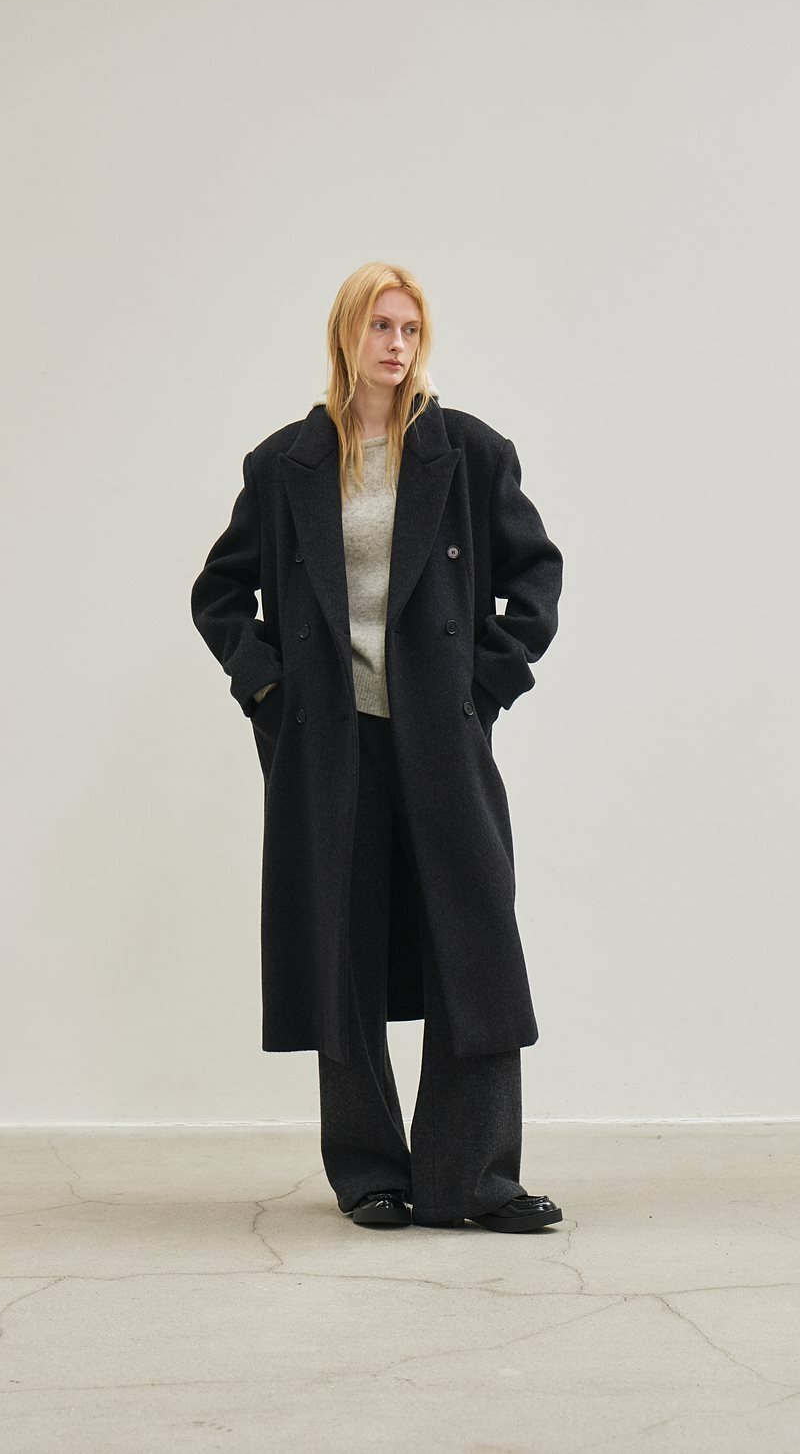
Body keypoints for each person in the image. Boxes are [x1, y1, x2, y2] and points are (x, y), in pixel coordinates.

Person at [191, 262, 564, 1232]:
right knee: (342, 951)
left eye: (410, 328)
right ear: (345, 336)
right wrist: (269, 689)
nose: (396, 344)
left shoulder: (468, 452)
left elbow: (536, 578)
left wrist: (485, 685)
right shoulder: (286, 465)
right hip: (330, 744)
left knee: (473, 949)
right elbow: (219, 593)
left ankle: (474, 1180)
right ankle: (369, 1172)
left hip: (441, 736)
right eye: (380, 326)